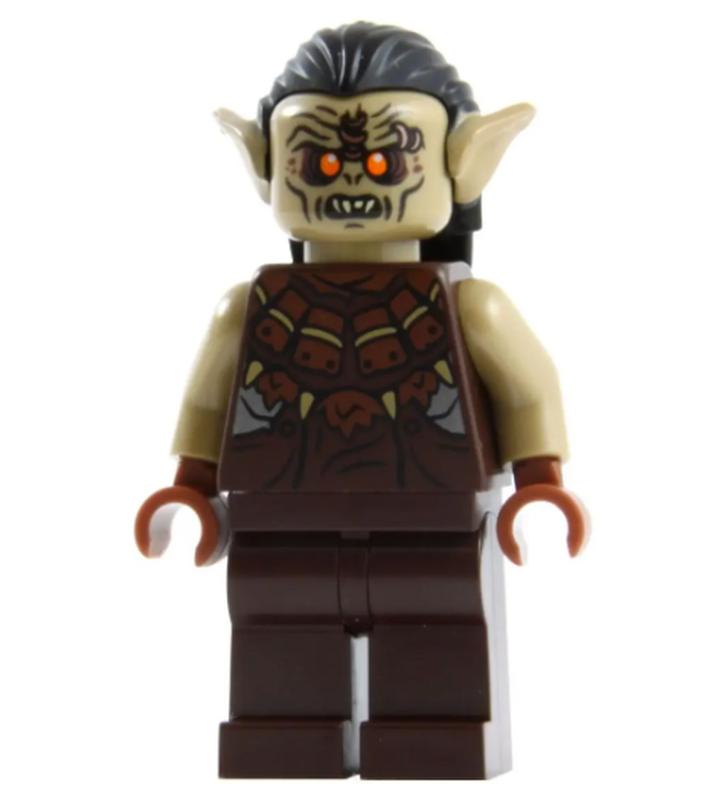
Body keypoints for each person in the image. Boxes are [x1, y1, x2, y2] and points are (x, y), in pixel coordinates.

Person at [135, 21, 588, 780]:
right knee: (277, 620)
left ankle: (432, 734)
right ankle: (287, 731)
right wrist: (189, 487)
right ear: (266, 166)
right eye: (319, 161)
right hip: (277, 515)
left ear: (463, 162)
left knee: (435, 620)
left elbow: (525, 384)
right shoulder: (246, 309)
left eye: (382, 160)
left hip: (433, 514)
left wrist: (539, 483)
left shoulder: (471, 308)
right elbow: (211, 402)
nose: (350, 182)